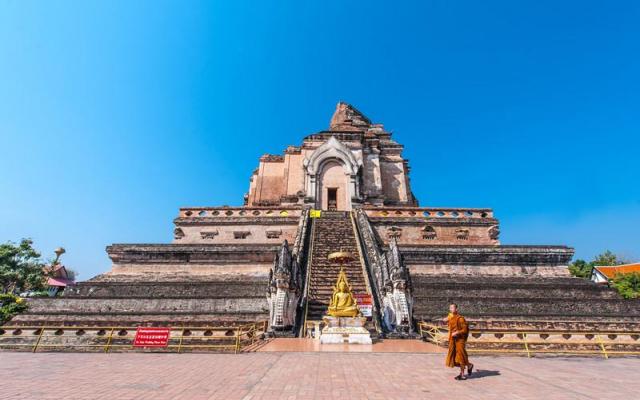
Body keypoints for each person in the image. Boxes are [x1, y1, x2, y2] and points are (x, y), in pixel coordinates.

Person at [442, 303, 474, 380]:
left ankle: (462, 374)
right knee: (454, 357)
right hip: (453, 340)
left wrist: (457, 332)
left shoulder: (460, 318)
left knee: (461, 356)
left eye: (452, 308)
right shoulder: (450, 317)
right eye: (450, 308)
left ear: (456, 309)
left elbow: (465, 329)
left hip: (460, 340)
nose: (451, 309)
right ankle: (469, 365)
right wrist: (445, 320)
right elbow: (449, 324)